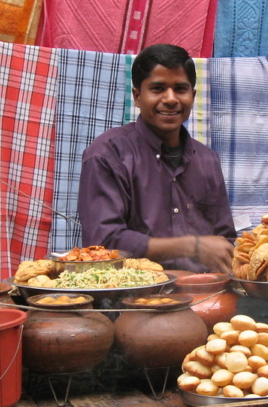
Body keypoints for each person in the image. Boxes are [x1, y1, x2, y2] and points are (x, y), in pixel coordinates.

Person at [77, 44, 236, 273]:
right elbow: (102, 241)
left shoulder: (207, 160)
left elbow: (223, 240)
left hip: (204, 294)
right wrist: (191, 246)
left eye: (180, 89)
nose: (170, 99)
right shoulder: (107, 154)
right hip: (130, 295)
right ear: (137, 96)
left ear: (193, 95)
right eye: (158, 88)